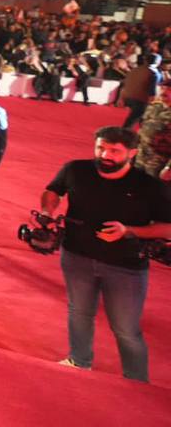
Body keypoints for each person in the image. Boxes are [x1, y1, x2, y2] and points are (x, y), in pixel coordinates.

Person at [39, 126, 171, 382]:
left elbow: (167, 227)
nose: (105, 155)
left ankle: (136, 380)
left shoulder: (150, 186)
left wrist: (128, 231)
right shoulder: (75, 170)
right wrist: (47, 211)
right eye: (101, 148)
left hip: (125, 267)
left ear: (132, 153)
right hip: (76, 256)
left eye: (114, 151)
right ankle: (79, 360)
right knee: (79, 312)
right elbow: (53, 190)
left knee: (126, 329)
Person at [118, 54, 159, 129]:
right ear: (158, 62)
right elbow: (152, 91)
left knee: (140, 118)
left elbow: (125, 85)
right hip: (140, 99)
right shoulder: (153, 73)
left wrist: (120, 98)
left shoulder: (134, 70)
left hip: (128, 96)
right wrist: (152, 103)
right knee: (133, 119)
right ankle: (123, 132)